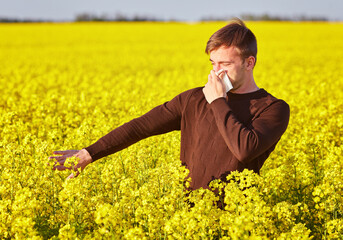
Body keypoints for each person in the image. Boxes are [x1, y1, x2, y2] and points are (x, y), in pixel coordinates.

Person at [50, 18, 290, 190]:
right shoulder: (193, 99)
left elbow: (244, 149)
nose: (216, 73)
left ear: (249, 63)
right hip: (187, 219)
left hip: (240, 224)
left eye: (225, 64)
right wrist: (89, 154)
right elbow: (140, 127)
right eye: (212, 64)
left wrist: (217, 100)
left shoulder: (272, 108)